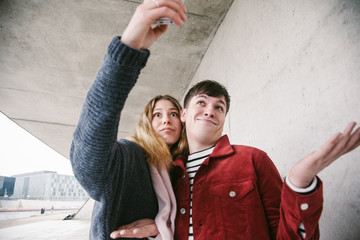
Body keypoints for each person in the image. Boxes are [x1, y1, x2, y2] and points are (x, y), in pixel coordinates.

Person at [109, 0, 360, 239]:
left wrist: (299, 185)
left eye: (219, 107)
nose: (210, 111)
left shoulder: (253, 160)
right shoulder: (169, 174)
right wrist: (157, 230)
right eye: (202, 102)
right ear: (183, 115)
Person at [70, 0, 188, 239]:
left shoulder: (181, 168)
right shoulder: (130, 156)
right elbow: (88, 160)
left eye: (173, 113)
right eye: (157, 115)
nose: (166, 120)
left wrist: (158, 228)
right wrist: (128, 50)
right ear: (147, 123)